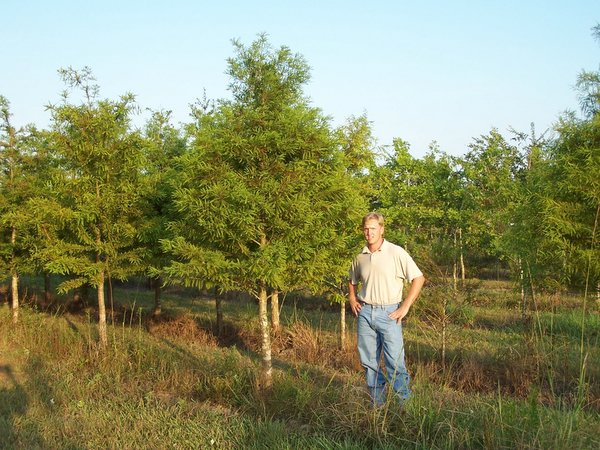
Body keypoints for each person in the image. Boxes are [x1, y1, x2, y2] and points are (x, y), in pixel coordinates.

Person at [348, 212, 425, 407]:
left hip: (389, 314)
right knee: (369, 363)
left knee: (395, 364)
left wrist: (405, 306)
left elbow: (418, 278)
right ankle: (378, 407)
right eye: (366, 229)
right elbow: (352, 279)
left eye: (373, 228)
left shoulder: (395, 252)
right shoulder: (361, 256)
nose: (369, 233)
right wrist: (352, 297)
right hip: (365, 313)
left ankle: (405, 408)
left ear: (382, 229)